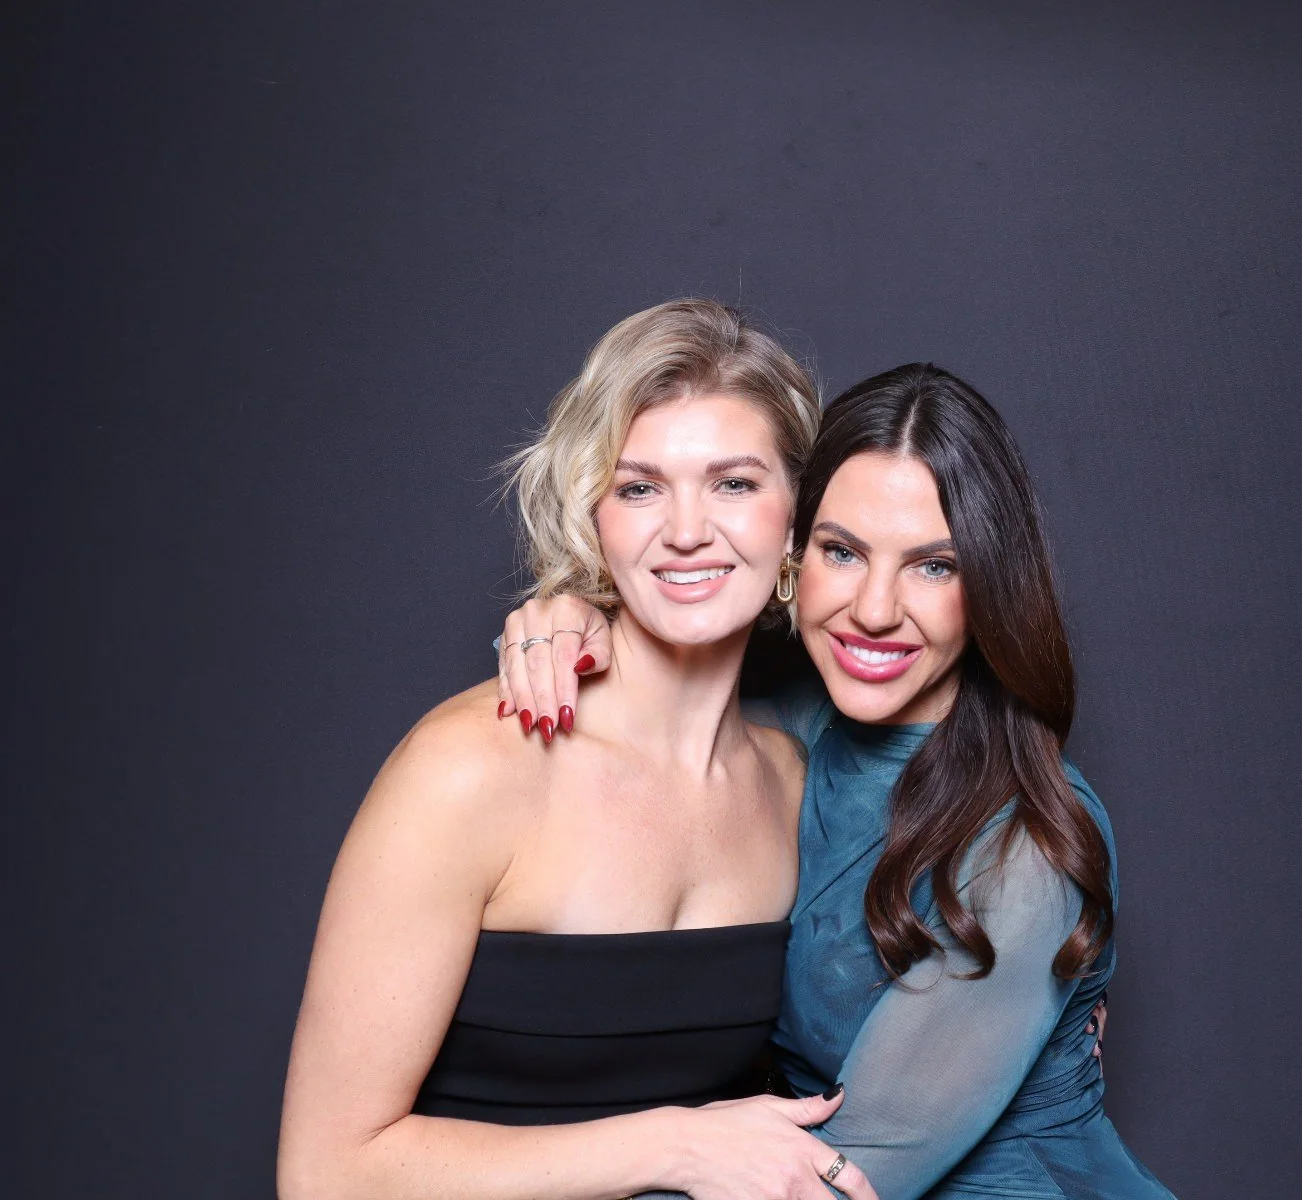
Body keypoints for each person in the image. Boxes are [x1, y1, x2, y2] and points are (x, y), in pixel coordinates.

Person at [501, 364, 1174, 1198]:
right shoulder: (778, 727)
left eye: (934, 567)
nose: (876, 608)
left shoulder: (1024, 843)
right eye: (843, 551)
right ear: (792, 552)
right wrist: (576, 608)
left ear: (991, 586)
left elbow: (836, 1180)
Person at [276, 300, 879, 1200]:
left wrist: (1057, 1002)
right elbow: (324, 1174)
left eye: (734, 483)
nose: (685, 530)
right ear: (593, 518)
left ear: (799, 520)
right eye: (639, 487)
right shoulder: (471, 769)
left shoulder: (797, 786)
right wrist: (673, 1146)